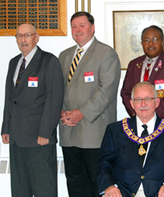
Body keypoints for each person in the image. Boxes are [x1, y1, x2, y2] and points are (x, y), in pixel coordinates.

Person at [58, 12, 121, 197]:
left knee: (97, 181)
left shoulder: (106, 54)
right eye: (74, 26)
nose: (77, 30)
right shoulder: (64, 56)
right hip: (68, 129)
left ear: (93, 28)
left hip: (94, 131)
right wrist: (61, 112)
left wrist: (81, 113)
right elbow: (57, 89)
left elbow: (106, 91)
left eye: (82, 25)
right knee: (75, 181)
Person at [97, 82, 164, 197]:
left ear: (156, 102)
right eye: (138, 100)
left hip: (161, 192)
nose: (143, 104)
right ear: (132, 104)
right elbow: (103, 164)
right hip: (123, 191)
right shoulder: (115, 130)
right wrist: (109, 185)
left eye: (148, 99)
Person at [1, 23, 64, 197]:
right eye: (19, 36)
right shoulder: (14, 62)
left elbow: (54, 99)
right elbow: (9, 99)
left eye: (27, 35)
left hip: (39, 138)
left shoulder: (49, 61)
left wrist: (46, 132)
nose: (23, 40)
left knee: (44, 188)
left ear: (36, 37)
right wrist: (6, 128)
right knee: (20, 189)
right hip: (16, 138)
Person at [121, 25, 164, 129]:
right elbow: (126, 92)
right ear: (142, 43)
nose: (150, 43)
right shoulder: (134, 64)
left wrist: (151, 115)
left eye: (155, 39)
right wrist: (137, 113)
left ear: (163, 41)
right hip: (139, 124)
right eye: (146, 40)